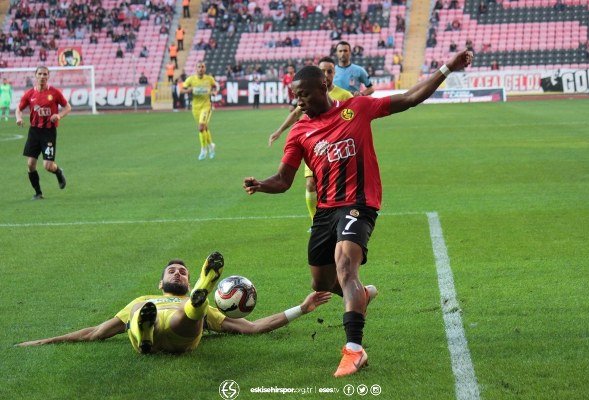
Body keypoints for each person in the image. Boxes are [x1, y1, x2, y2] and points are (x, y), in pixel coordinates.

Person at [243, 49, 473, 377]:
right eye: (295, 96)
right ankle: (361, 296)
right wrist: (261, 184)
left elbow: (409, 98)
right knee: (321, 282)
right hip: (325, 211)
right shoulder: (299, 132)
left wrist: (448, 67)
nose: (299, 102)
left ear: (324, 86)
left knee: (345, 268)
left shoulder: (357, 108)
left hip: (359, 203)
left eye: (304, 94)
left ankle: (354, 349)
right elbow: (283, 180)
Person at [16, 252, 332, 353]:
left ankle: (186, 305)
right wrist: (44, 340)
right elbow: (94, 333)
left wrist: (302, 309)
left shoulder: (207, 312)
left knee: (187, 316)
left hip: (183, 330)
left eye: (183, 272)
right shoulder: (141, 299)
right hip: (152, 319)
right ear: (161, 282)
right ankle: (146, 332)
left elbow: (252, 328)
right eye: (173, 271)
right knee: (144, 310)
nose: (177, 273)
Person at [268, 57, 352, 225]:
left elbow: (354, 117)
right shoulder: (308, 94)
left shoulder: (344, 95)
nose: (327, 75)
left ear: (334, 73)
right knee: (311, 184)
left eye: (330, 71)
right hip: (315, 146)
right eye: (323, 71)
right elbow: (296, 113)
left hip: (337, 149)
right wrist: (279, 131)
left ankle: (341, 218)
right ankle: (316, 222)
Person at [16, 66, 72, 200]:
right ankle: (38, 193)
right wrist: (18, 118)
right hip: (34, 132)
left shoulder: (54, 93)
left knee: (47, 166)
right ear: (35, 75)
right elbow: (19, 108)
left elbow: (68, 107)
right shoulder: (29, 94)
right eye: (40, 74)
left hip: (48, 132)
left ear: (48, 76)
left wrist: (59, 115)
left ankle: (58, 172)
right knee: (30, 164)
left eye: (45, 74)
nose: (42, 76)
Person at [181, 61, 218, 160]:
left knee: (201, 127)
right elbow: (182, 90)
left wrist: (214, 92)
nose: (201, 69)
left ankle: (203, 149)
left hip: (206, 106)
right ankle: (211, 145)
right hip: (195, 107)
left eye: (202, 67)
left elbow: (215, 87)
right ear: (196, 68)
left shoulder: (209, 79)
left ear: (205, 68)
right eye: (199, 67)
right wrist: (187, 90)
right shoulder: (191, 79)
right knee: (204, 128)